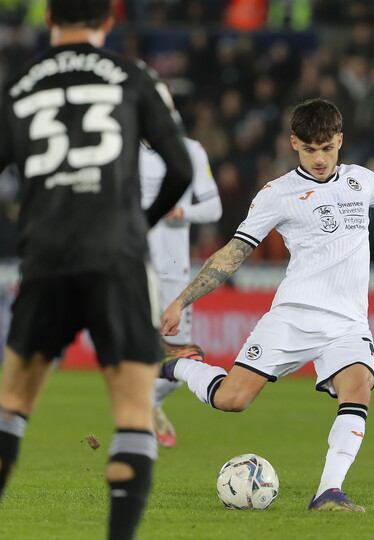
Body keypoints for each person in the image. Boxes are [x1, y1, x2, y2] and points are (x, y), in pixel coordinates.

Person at [0, 1, 192, 539]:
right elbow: (180, 168)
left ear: (48, 19)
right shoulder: (134, 77)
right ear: (108, 20)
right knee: (133, 413)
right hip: (117, 259)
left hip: (47, 260)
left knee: (12, 403)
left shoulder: (19, 85)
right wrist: (138, 223)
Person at [159, 95, 374, 512]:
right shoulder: (277, 193)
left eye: (326, 148)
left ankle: (328, 491)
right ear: (294, 144)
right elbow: (233, 252)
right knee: (231, 400)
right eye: (310, 149)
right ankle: (181, 362)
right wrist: (182, 299)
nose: (319, 158)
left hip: (347, 323)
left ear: (340, 140)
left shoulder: (361, 181)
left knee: (359, 386)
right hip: (293, 317)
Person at [139, 83, 223, 448]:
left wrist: (182, 211)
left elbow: (214, 207)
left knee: (182, 353)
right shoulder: (121, 152)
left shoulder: (190, 151)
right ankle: (137, 414)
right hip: (131, 262)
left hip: (173, 266)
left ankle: (148, 403)